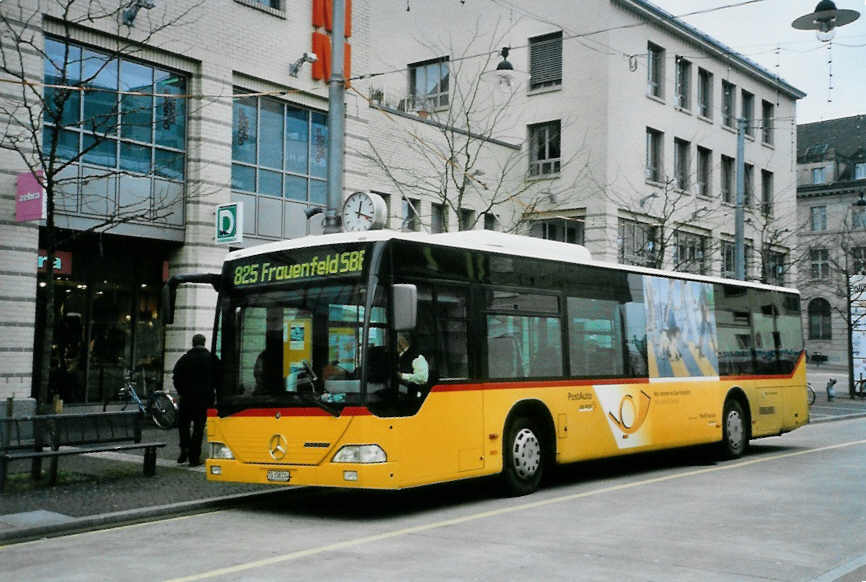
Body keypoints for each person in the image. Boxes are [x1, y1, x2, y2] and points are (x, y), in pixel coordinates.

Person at [173, 334, 220, 467]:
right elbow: (219, 378)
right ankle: (194, 456)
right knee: (199, 428)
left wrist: (182, 392)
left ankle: (184, 448)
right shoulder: (212, 359)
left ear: (193, 343)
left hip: (187, 398)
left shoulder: (185, 359)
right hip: (204, 399)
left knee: (184, 425)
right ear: (204, 343)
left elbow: (176, 377)